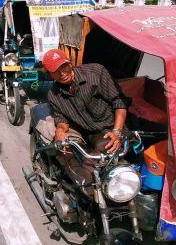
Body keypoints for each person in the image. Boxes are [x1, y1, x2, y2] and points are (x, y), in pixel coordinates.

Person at [43, 49, 127, 195]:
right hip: (83, 132)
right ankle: (78, 196)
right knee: (65, 153)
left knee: (102, 149)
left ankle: (93, 191)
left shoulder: (96, 72)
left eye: (64, 66)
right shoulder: (53, 94)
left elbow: (119, 103)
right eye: (55, 71)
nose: (62, 72)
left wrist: (117, 131)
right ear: (49, 74)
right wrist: (60, 130)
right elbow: (62, 120)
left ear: (70, 63)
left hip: (108, 129)